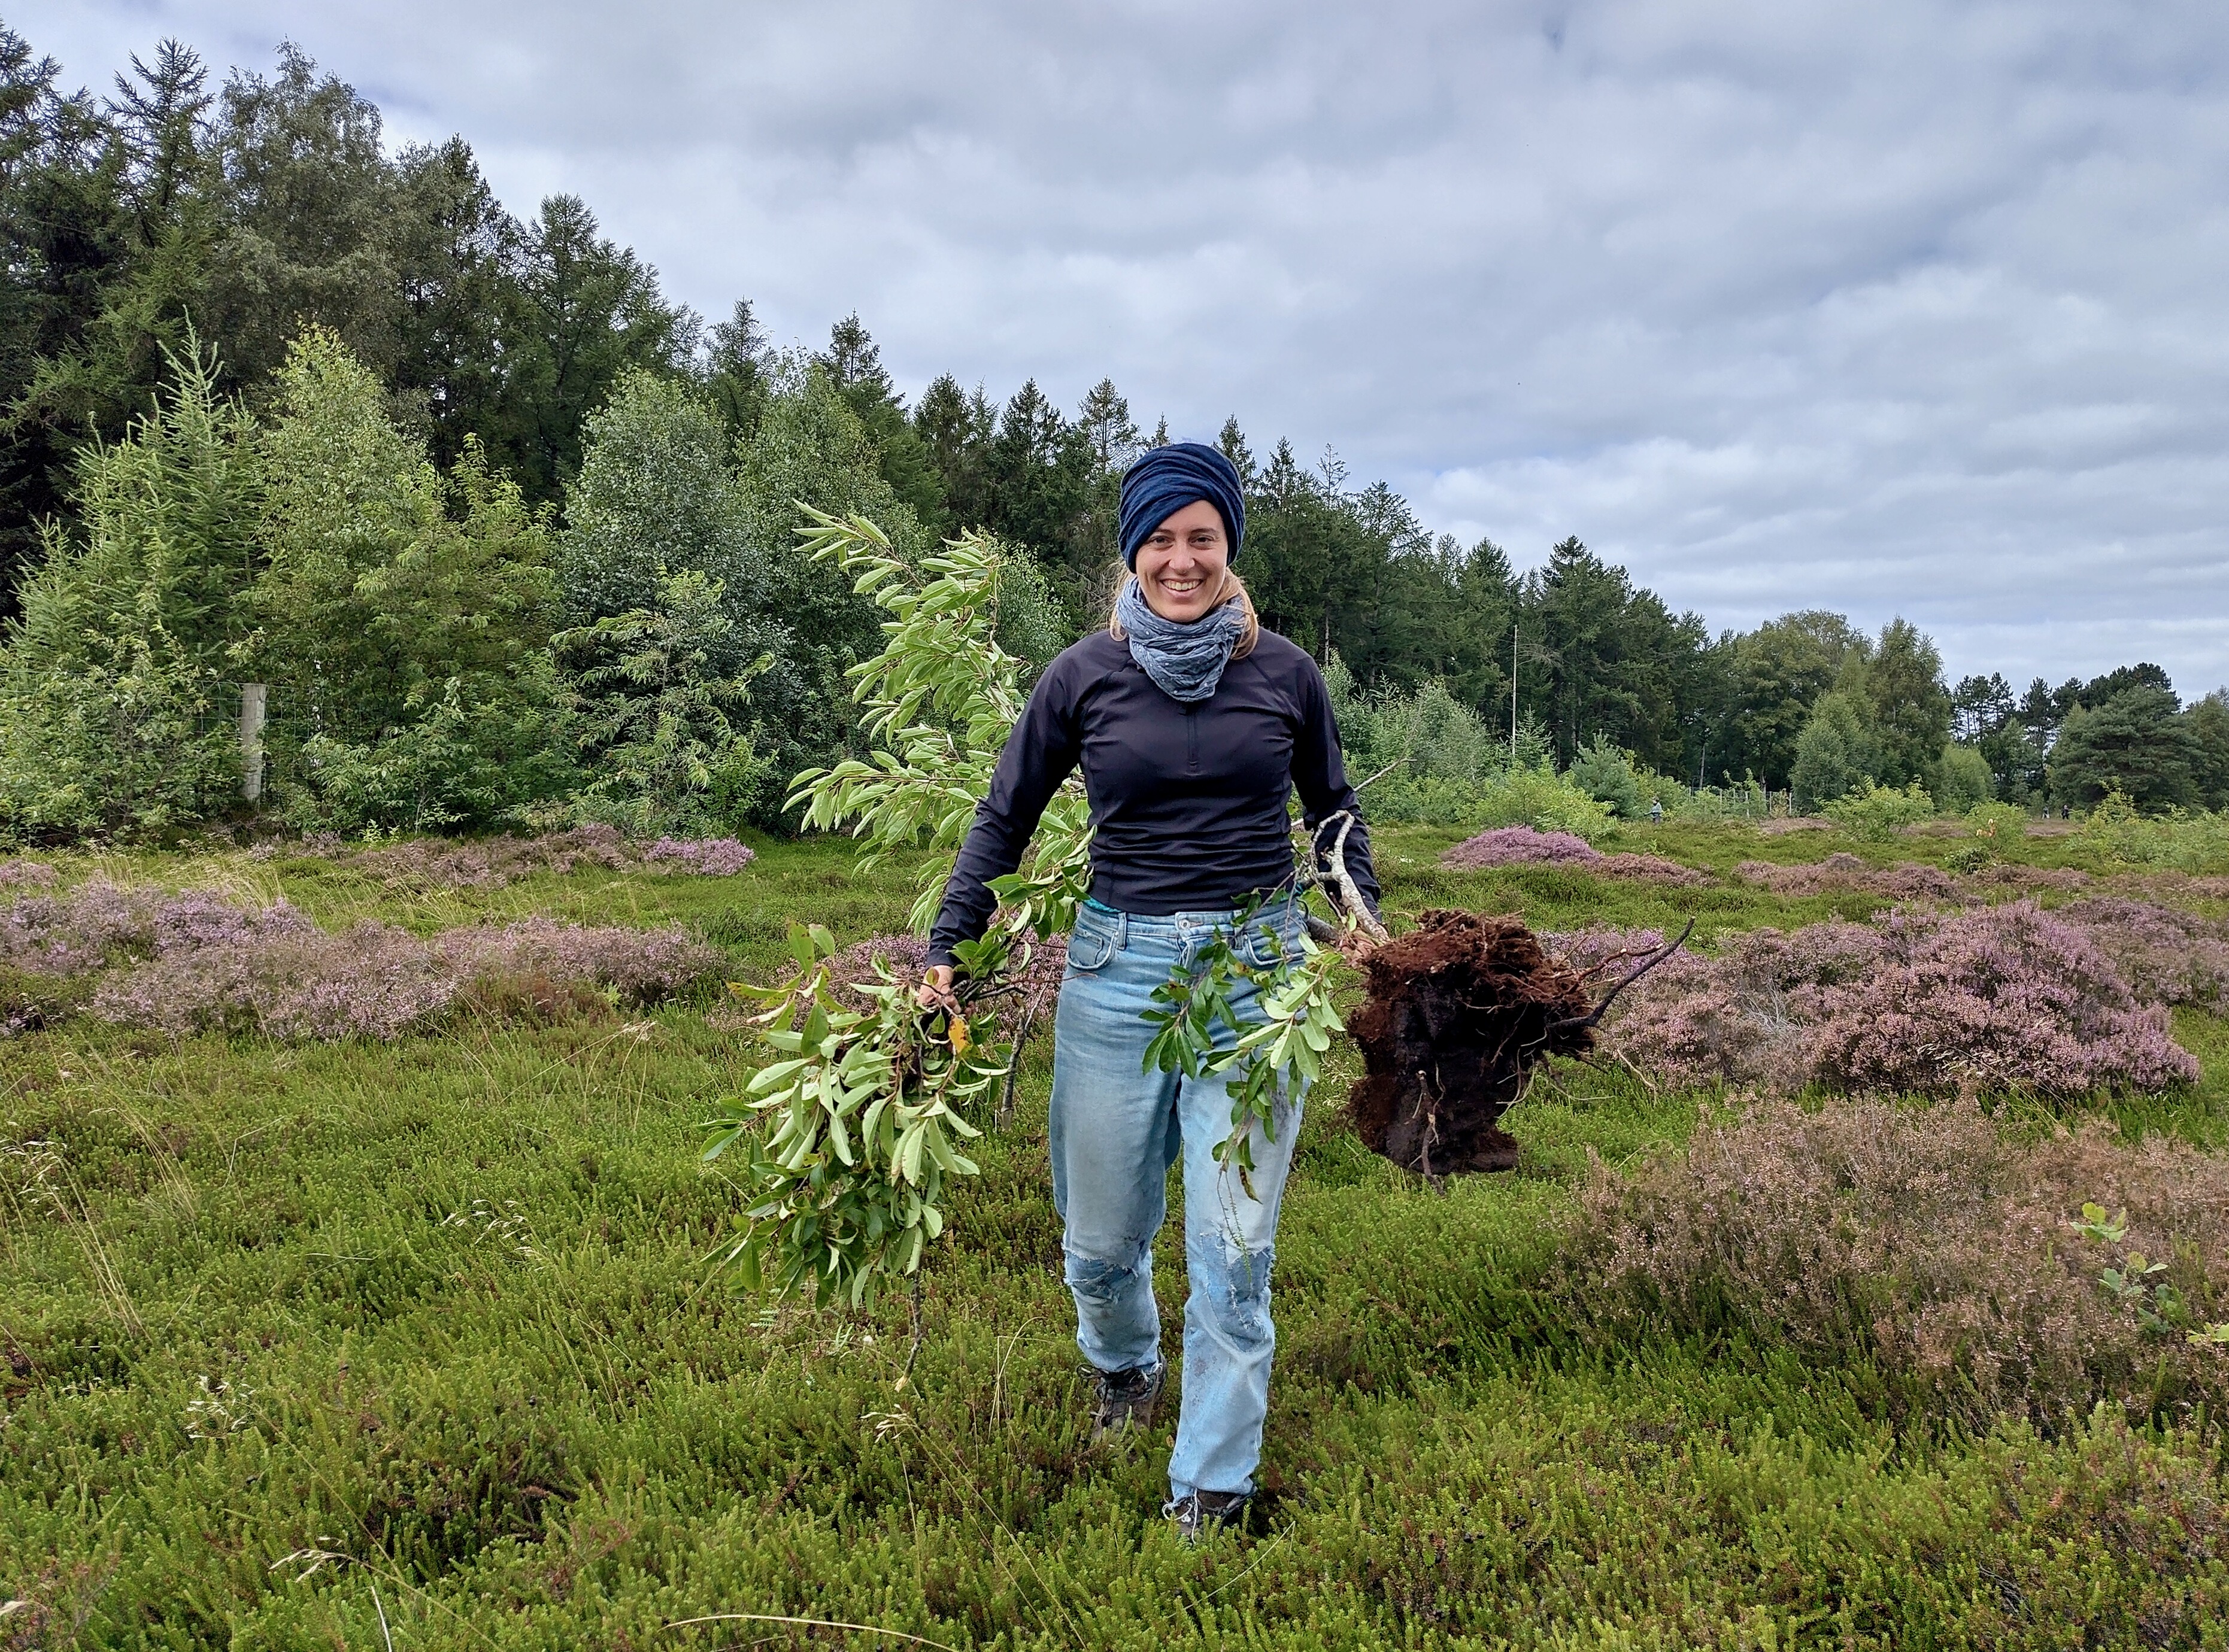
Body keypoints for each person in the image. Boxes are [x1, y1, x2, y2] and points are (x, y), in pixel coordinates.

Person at [916, 441, 1379, 1541]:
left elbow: (1334, 814)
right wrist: (949, 944)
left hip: (1260, 981)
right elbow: (1003, 818)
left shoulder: (1286, 676)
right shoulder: (1082, 676)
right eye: (1161, 540)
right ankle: (1125, 1371)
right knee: (1100, 1243)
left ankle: (1213, 1485)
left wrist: (1363, 919)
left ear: (1230, 547)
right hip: (1118, 975)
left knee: (1233, 1250)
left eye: (1202, 539)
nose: (1182, 561)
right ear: (1133, 553)